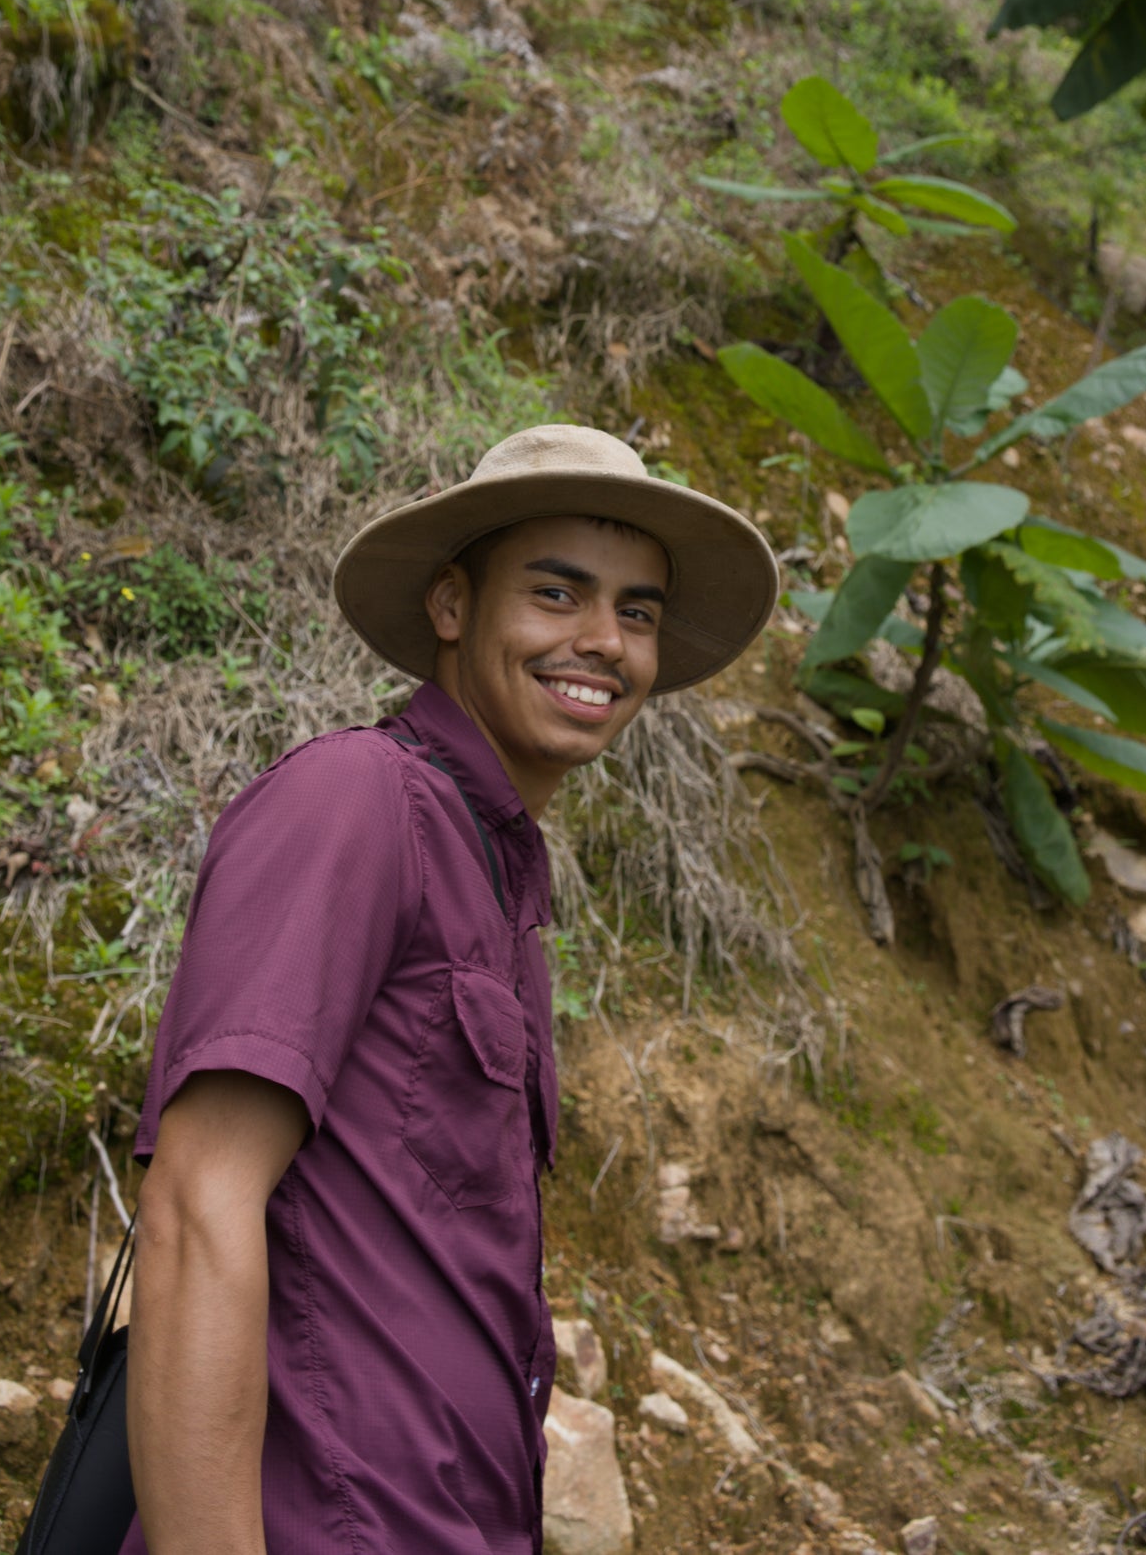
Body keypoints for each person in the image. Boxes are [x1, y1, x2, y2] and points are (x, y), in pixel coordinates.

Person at [120, 423, 777, 1555]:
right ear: (450, 605)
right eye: (556, 593)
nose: (601, 640)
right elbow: (196, 1200)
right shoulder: (355, 802)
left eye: (636, 611)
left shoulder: (494, 874)